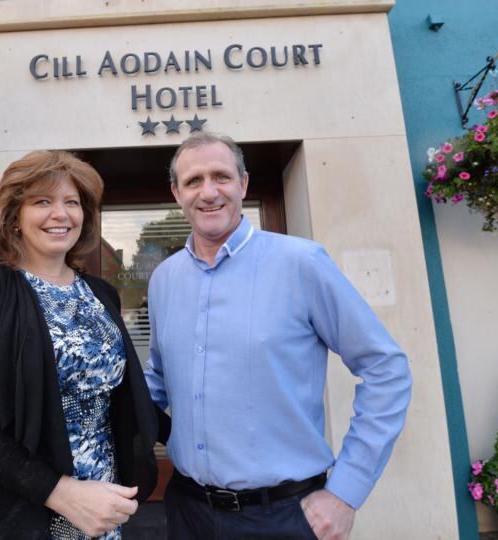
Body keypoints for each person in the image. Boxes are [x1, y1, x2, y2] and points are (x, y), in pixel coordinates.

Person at [145, 132, 412, 540]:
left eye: (221, 176)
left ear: (244, 184)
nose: (209, 192)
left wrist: (346, 491)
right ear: (176, 193)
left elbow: (385, 369)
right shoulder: (165, 279)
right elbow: (159, 379)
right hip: (187, 511)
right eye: (194, 181)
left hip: (282, 517)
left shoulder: (302, 263)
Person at [0, 150, 157, 540]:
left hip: (99, 508)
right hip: (19, 509)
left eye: (72, 202)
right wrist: (60, 492)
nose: (61, 214)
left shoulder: (101, 293)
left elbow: (119, 397)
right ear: (14, 216)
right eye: (42, 201)